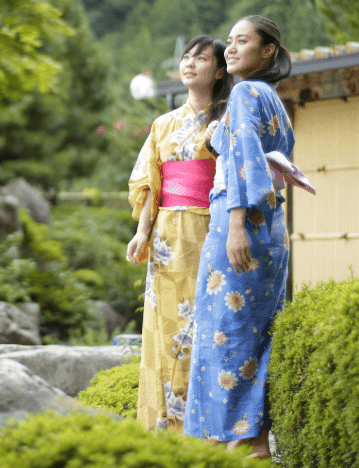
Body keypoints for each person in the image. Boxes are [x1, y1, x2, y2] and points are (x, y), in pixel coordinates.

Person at [182, 15, 294, 460]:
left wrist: (234, 224)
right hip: (268, 228)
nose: (230, 48)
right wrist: (218, 138)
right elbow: (264, 158)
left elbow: (246, 159)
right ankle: (252, 440)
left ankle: (223, 437)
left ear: (267, 51)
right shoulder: (270, 98)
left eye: (241, 41)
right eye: (228, 41)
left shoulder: (247, 92)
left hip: (240, 225)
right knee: (253, 335)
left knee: (223, 332)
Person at [126, 35, 230, 435]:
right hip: (167, 234)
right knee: (163, 327)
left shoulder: (226, 119)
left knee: (206, 324)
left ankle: (202, 426)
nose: (190, 64)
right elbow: (151, 183)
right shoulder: (163, 124)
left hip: (210, 227)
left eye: (201, 59)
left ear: (219, 71)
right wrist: (142, 232)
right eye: (187, 58)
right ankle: (160, 424)